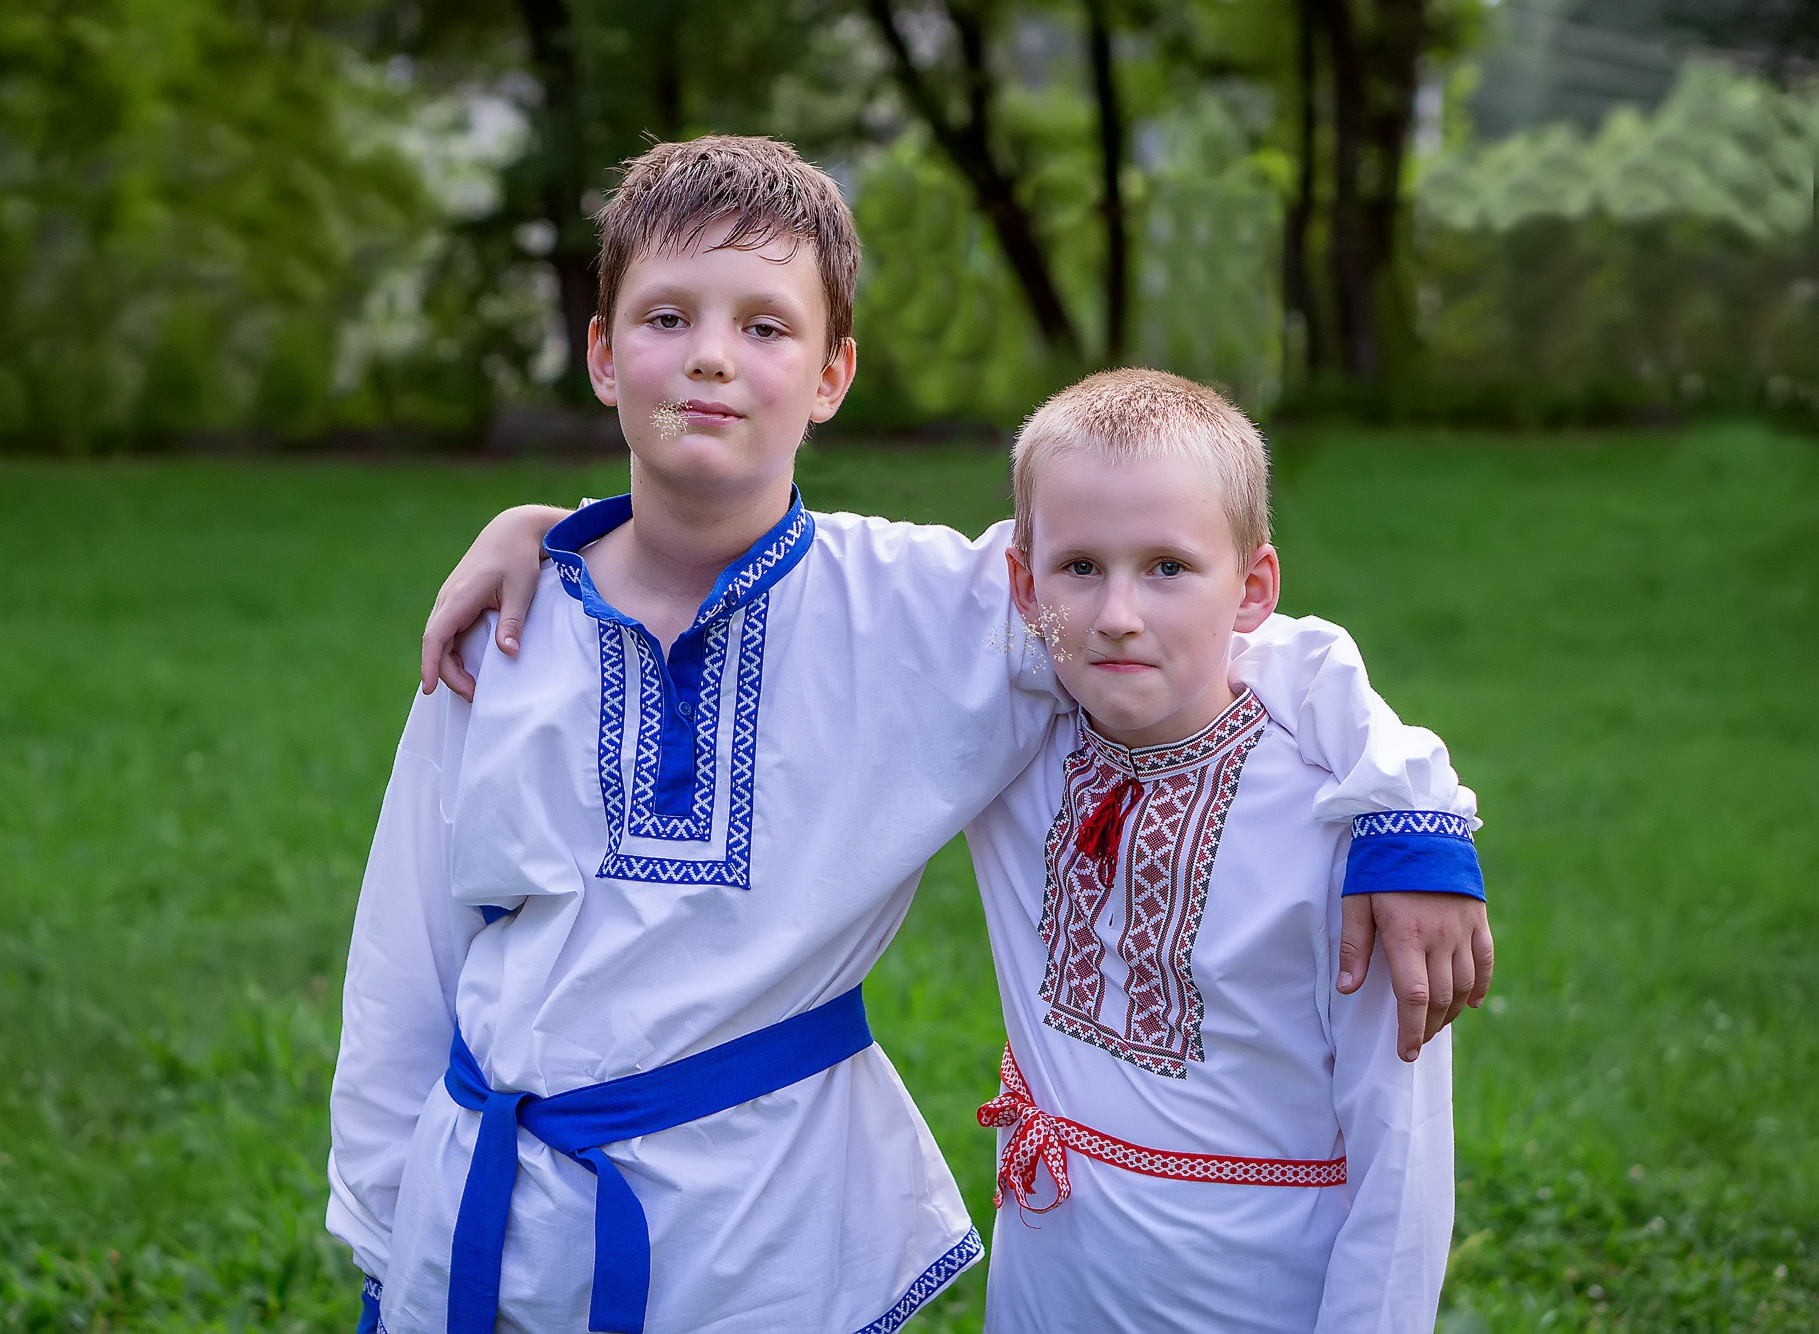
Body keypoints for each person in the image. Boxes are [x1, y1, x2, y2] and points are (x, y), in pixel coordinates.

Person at [333, 134, 1488, 1334]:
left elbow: (1216, 631)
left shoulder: (927, 610)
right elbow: (405, 953)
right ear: (599, 353)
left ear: (832, 373)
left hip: (760, 1236)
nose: (713, 357)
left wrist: (1406, 809)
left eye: (765, 328)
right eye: (665, 316)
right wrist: (385, 1228)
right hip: (486, 1218)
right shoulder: (499, 627)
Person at [967, 368, 1464, 1332]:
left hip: (1250, 1298)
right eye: (1079, 568)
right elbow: (849, 587)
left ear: (1254, 588)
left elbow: (1399, 1157)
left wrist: (1411, 810)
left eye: (1168, 567)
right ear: (1026, 587)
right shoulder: (1013, 743)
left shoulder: (1344, 826)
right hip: (1048, 1282)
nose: (1118, 613)